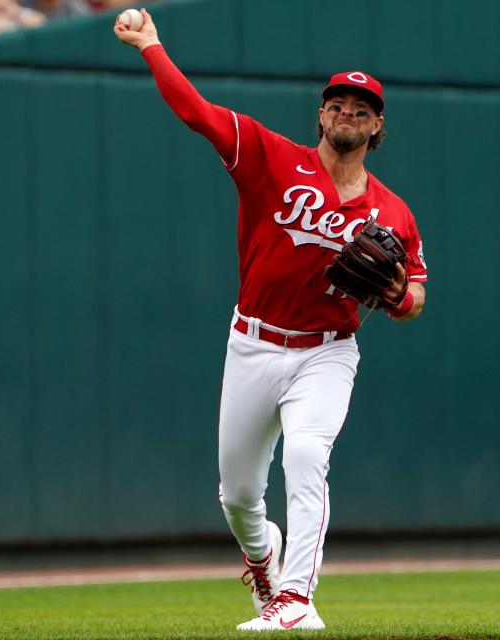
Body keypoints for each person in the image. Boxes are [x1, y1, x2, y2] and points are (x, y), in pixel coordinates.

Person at [113, 8, 427, 633]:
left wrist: (396, 296)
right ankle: (263, 561)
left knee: (308, 456)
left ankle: (295, 599)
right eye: (337, 103)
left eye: (361, 108)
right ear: (320, 114)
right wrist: (152, 46)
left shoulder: (392, 210)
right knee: (237, 496)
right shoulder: (269, 157)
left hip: (327, 351)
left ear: (378, 125)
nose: (347, 113)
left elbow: (414, 296)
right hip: (253, 343)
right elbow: (197, 112)